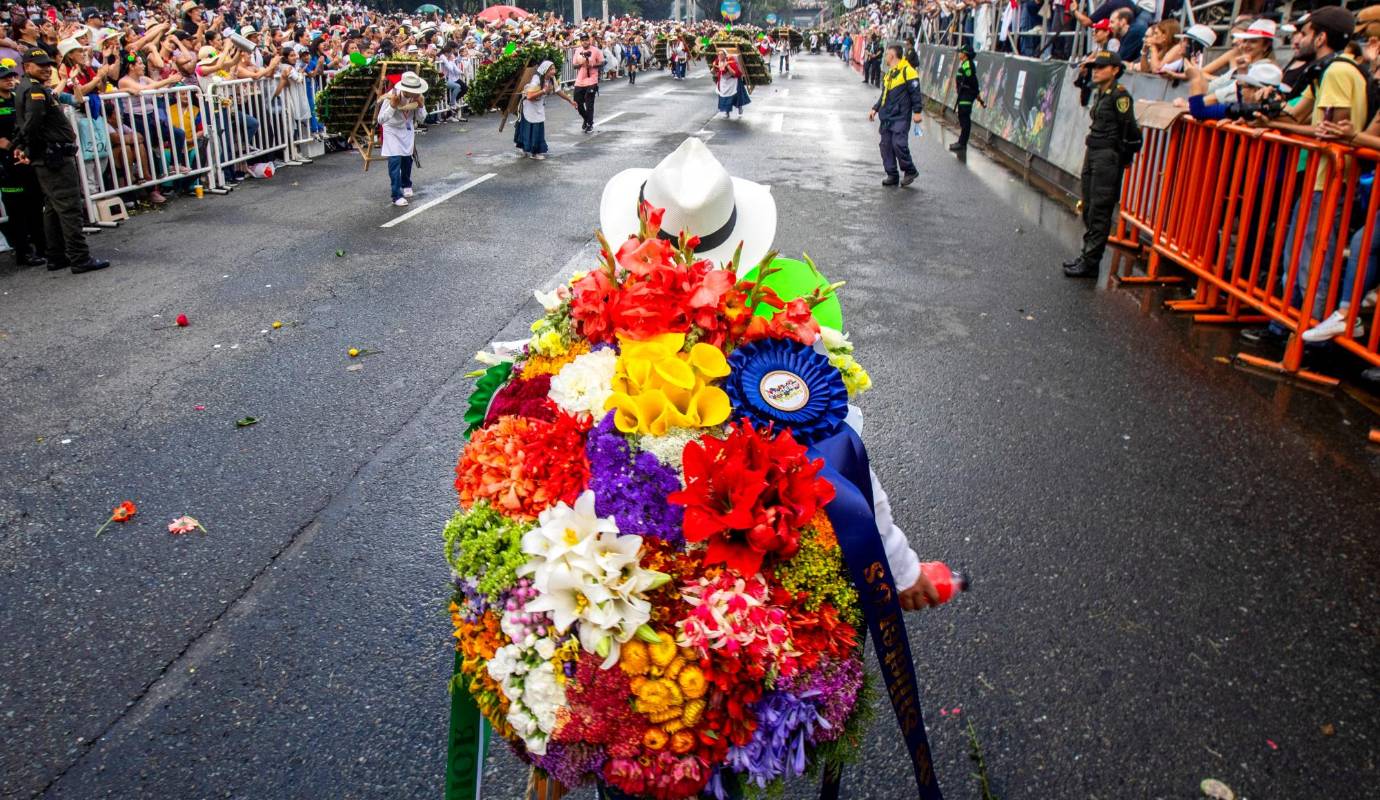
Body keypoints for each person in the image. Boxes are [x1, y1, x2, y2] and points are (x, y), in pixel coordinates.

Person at [1242, 6, 1368, 345]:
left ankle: (1312, 335)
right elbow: (1298, 117)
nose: (1298, 40)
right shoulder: (1322, 71)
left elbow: (1330, 129)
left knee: (1313, 261)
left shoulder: (1339, 72)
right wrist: (1269, 122)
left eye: (1305, 33)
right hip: (1317, 178)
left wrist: (1281, 125)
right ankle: (1287, 325)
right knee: (1296, 255)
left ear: (1321, 37)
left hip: (1331, 181)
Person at [13, 47, 109, 274]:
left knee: (54, 208)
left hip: (49, 156)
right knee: (69, 207)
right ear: (27, 67)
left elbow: (27, 125)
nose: (47, 69)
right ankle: (79, 257)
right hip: (52, 157)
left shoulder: (31, 89)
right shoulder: (34, 91)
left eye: (49, 65)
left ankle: (56, 256)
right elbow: (32, 124)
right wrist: (25, 147)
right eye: (41, 66)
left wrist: (22, 146)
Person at [1063, 51, 1140, 278]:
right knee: (1088, 206)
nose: (1096, 70)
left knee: (1100, 209)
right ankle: (1087, 255)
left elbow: (1131, 131)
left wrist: (1122, 158)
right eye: (1095, 67)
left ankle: (1091, 261)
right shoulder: (1101, 93)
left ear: (1115, 70)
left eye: (1101, 67)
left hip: (1107, 156)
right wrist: (1084, 75)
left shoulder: (1120, 96)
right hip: (1094, 152)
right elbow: (1082, 96)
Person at [0, 59, 46, 267]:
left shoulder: (18, 98)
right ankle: (23, 252)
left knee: (35, 203)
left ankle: (42, 246)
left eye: (11, 76)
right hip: (6, 165)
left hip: (26, 158)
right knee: (16, 209)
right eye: (4, 78)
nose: (10, 80)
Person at [868, 45, 922, 188]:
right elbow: (883, 95)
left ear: (892, 56)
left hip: (901, 116)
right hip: (887, 117)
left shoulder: (908, 71)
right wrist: (875, 108)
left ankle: (910, 171)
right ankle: (892, 174)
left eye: (887, 55)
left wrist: (917, 112)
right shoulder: (890, 73)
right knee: (886, 145)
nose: (885, 57)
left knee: (899, 144)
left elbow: (916, 93)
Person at [377, 69, 426, 206]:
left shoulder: (418, 97)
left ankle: (406, 184)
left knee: (406, 159)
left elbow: (422, 119)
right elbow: (381, 119)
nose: (415, 93)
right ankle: (396, 195)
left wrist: (421, 106)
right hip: (391, 129)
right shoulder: (392, 96)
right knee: (394, 160)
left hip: (407, 129)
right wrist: (392, 106)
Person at [515, 60, 570, 161]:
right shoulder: (536, 79)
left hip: (539, 106)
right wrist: (544, 91)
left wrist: (571, 101)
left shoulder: (551, 79)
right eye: (551, 69)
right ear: (545, 70)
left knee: (537, 128)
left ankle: (535, 151)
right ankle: (529, 150)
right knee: (529, 127)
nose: (553, 71)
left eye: (554, 69)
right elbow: (530, 96)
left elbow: (558, 91)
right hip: (529, 106)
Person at [950, 42, 982, 153]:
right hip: (964, 94)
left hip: (967, 95)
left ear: (965, 54)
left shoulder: (967, 64)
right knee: (962, 117)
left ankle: (962, 143)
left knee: (964, 118)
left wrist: (975, 92)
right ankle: (961, 142)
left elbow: (971, 79)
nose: (959, 54)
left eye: (961, 52)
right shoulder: (965, 63)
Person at [572, 35, 603, 133]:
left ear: (589, 41)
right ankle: (586, 118)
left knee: (589, 103)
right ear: (580, 42)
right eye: (583, 40)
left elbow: (602, 63)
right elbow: (574, 65)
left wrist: (592, 65)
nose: (585, 42)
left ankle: (590, 124)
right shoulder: (578, 50)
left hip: (592, 80)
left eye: (586, 40)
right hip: (580, 81)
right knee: (577, 103)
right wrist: (581, 64)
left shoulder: (596, 50)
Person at [711, 49, 749, 120]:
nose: (720, 56)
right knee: (724, 97)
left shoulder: (730, 60)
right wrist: (713, 66)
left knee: (737, 96)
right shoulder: (717, 61)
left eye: (721, 54)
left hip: (732, 81)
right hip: (723, 82)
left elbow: (734, 73)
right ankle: (727, 112)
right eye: (719, 54)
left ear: (725, 55)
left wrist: (727, 66)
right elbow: (713, 72)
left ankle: (740, 108)